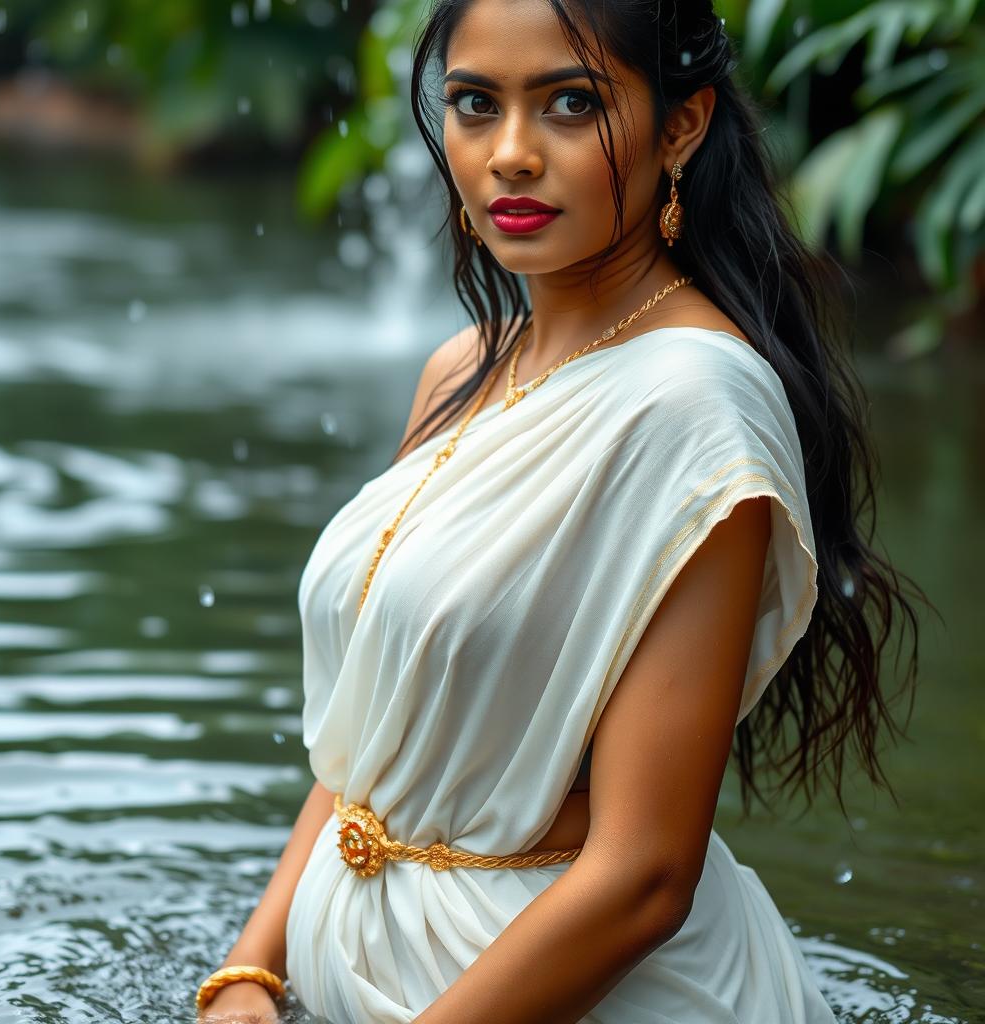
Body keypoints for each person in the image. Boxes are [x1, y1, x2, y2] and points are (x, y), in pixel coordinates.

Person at [195, 1, 927, 1021]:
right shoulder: (460, 371)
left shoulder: (693, 406)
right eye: (473, 104)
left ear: (682, 125)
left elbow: (643, 876)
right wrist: (244, 976)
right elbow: (376, 738)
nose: (509, 155)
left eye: (569, 105)